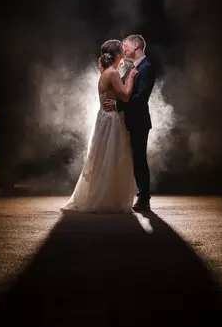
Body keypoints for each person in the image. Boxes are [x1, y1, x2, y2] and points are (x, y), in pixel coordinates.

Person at [61, 40, 139, 213]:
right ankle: (108, 199)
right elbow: (125, 96)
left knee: (104, 157)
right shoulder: (112, 73)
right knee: (112, 156)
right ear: (117, 55)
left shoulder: (106, 72)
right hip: (111, 119)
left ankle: (106, 197)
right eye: (122, 53)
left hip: (104, 117)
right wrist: (131, 78)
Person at [102, 35, 155, 212]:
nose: (123, 49)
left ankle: (144, 198)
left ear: (136, 45)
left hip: (138, 121)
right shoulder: (131, 67)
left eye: (125, 45)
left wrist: (117, 105)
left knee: (139, 158)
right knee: (129, 159)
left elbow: (140, 99)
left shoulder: (147, 67)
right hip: (125, 120)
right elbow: (124, 90)